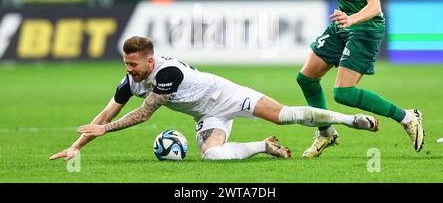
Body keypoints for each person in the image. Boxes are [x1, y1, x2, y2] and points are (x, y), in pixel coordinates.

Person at [50, 36, 378, 162]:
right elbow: (105, 114)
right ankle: (264, 146)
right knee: (213, 156)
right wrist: (76, 146)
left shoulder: (166, 73)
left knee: (284, 114)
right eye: (126, 64)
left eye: (133, 65)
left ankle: (351, 121)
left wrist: (105, 131)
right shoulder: (130, 82)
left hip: (226, 95)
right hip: (207, 116)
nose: (129, 70)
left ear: (149, 61)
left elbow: (144, 115)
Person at [283, 0, 424, 158]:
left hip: (365, 28)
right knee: (306, 78)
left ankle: (407, 116)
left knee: (343, 93)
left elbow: (374, 7)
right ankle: (325, 133)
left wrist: (351, 19)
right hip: (345, 22)